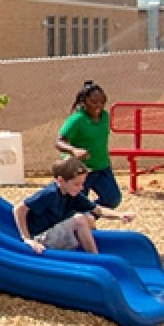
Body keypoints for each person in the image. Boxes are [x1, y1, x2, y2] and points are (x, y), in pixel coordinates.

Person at [13, 157, 135, 255]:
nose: (81, 188)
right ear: (61, 180)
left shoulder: (72, 193)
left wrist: (120, 215)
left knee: (89, 219)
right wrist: (27, 239)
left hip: (53, 233)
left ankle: (86, 252)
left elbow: (97, 210)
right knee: (80, 220)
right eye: (77, 184)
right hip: (40, 239)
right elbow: (19, 209)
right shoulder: (49, 193)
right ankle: (95, 258)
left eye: (82, 183)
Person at [55, 79, 121, 208]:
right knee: (75, 204)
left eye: (102, 102)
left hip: (102, 167)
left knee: (113, 199)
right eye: (94, 102)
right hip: (80, 170)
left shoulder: (105, 116)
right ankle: (76, 221)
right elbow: (58, 142)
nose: (98, 106)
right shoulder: (77, 120)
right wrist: (74, 150)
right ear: (84, 101)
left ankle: (88, 214)